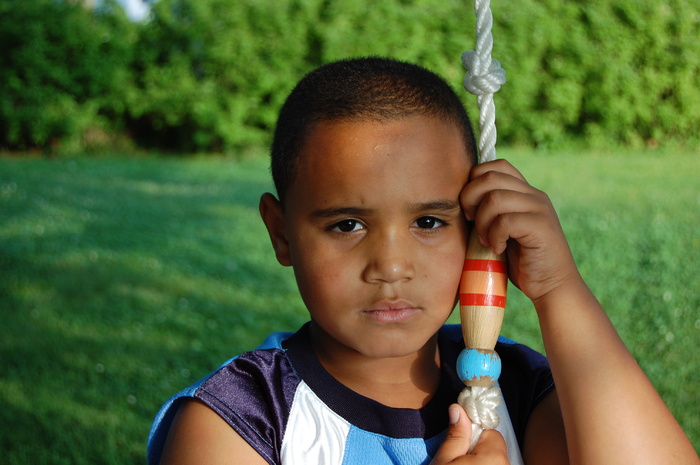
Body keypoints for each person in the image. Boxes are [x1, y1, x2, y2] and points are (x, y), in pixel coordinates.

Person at [147, 57, 698, 465]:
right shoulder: (238, 423)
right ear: (281, 233)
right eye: (347, 224)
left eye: (429, 222)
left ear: (475, 230)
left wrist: (559, 289)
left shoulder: (519, 395)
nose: (390, 265)